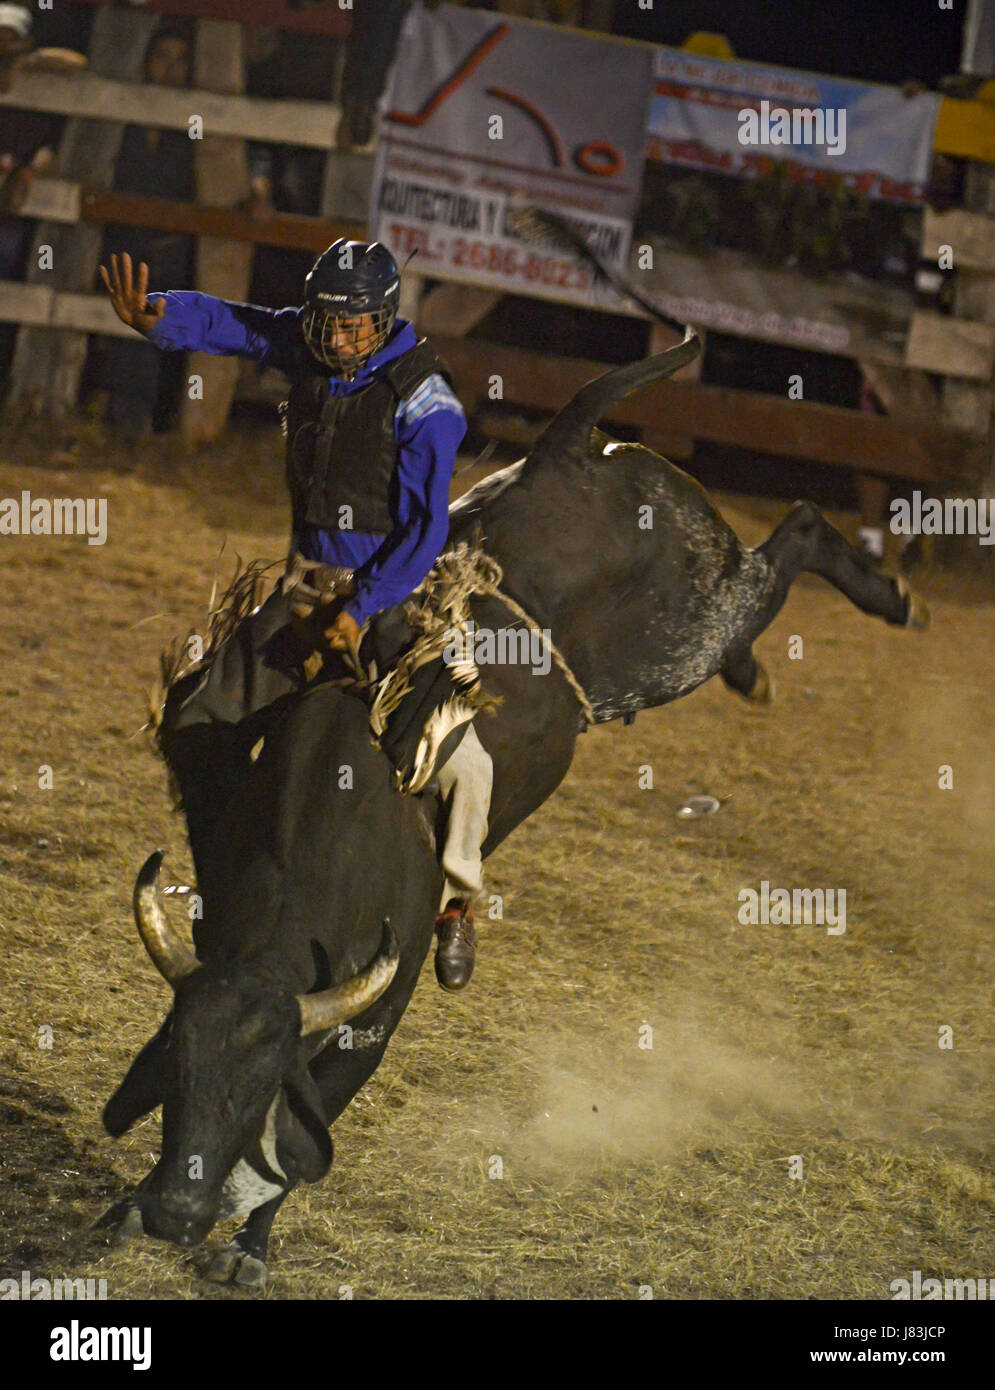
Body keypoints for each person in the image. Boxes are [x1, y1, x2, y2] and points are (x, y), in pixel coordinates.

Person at [100, 240, 490, 990]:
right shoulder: (312, 345)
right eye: (326, 325)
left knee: (460, 757)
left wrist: (367, 605)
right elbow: (238, 325)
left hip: (395, 595)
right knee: (195, 721)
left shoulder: (425, 403)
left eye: (353, 327)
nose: (337, 340)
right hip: (307, 591)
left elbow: (424, 531)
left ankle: (456, 903)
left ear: (383, 320)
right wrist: (161, 318)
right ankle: (228, 879)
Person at [93, 25, 196, 438]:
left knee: (159, 315)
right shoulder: (123, 116)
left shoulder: (196, 123)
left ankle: (147, 418)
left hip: (172, 247)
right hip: (122, 243)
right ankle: (123, 416)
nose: (169, 69)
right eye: (161, 57)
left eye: (180, 60)